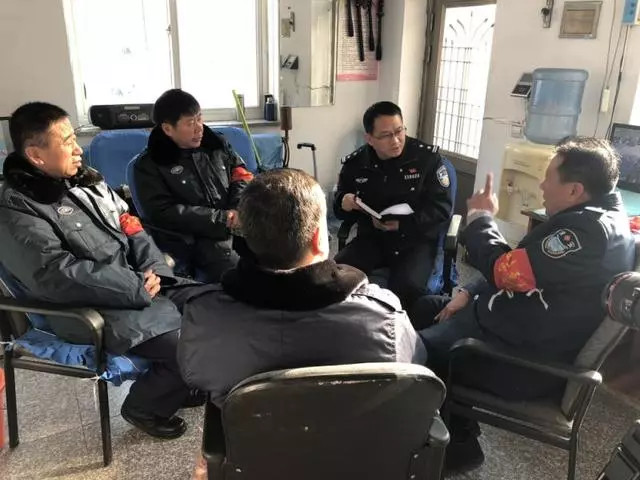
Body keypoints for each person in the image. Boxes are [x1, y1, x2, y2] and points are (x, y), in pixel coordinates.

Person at [413, 136, 636, 473]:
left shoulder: (585, 234)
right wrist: (468, 292)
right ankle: (456, 429)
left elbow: (506, 271)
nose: (542, 186)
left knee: (416, 351)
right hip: (513, 326)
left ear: (575, 190)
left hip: (522, 362)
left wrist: (480, 217)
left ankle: (455, 447)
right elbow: (525, 267)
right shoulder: (599, 218)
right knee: (424, 306)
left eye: (548, 178)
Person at [0, 102, 205, 439]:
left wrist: (153, 268)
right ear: (36, 155)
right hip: (90, 307)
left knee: (213, 307)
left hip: (137, 284)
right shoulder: (17, 208)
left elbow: (131, 226)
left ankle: (175, 382)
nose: (78, 149)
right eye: (67, 142)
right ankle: (144, 406)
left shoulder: (86, 181)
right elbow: (55, 275)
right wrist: (135, 285)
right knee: (187, 345)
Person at [177, 168, 426, 406]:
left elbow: (194, 375)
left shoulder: (203, 316)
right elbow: (413, 364)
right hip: (350, 434)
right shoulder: (383, 316)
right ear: (318, 238)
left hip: (254, 435)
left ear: (247, 237)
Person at [333, 101, 452, 311]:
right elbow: (340, 209)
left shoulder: (426, 159)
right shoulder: (356, 164)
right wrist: (344, 202)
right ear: (370, 138)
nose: (396, 140)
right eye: (386, 135)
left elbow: (441, 208)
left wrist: (403, 224)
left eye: (399, 131)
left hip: (415, 240)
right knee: (335, 278)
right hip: (372, 239)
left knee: (406, 290)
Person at [133, 89, 253, 282]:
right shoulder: (150, 164)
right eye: (190, 123)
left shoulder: (217, 144)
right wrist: (223, 219)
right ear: (168, 129)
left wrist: (238, 209)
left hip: (238, 225)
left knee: (279, 255)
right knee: (241, 274)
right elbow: (162, 212)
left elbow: (241, 175)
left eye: (199, 118)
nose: (199, 128)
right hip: (195, 240)